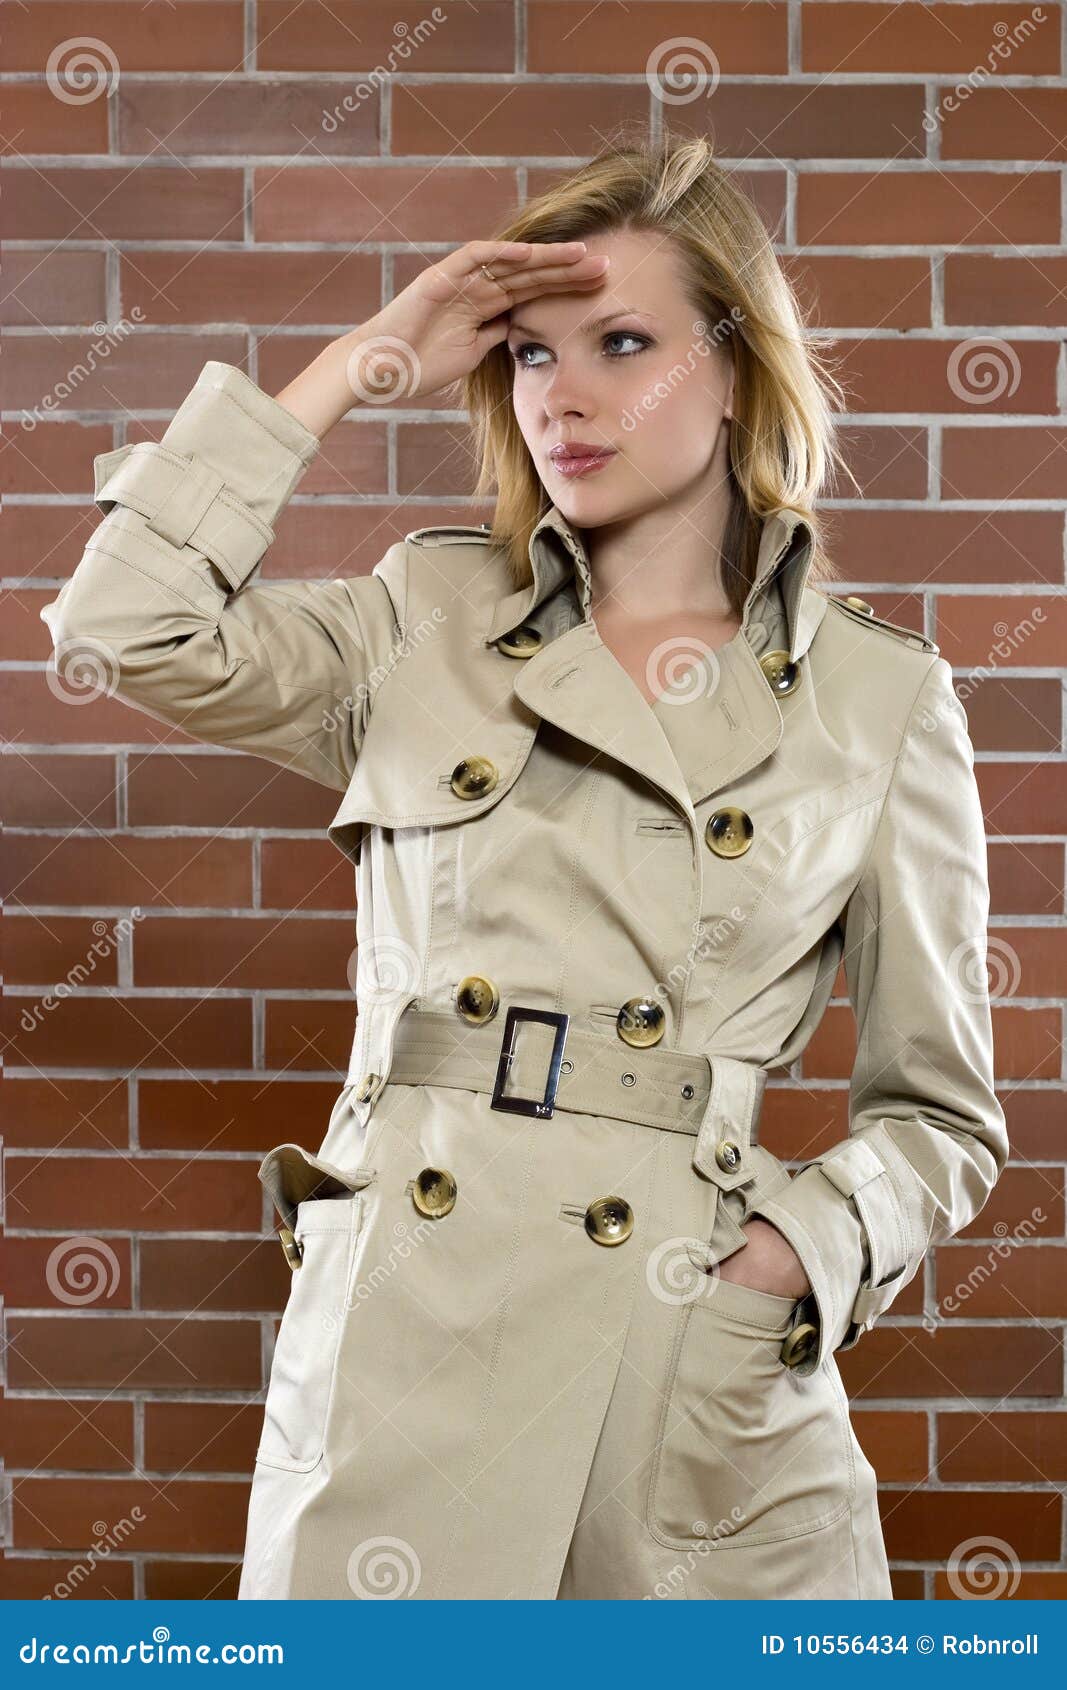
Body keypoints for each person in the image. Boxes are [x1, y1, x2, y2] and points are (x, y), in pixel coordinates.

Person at [40, 130, 1007, 1601]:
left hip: (685, 1375)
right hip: (401, 1365)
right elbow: (125, 631)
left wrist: (794, 1255)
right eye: (531, 355)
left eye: (624, 342)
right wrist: (365, 361)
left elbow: (943, 1114)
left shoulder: (879, 702)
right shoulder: (419, 617)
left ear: (736, 368)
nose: (565, 395)